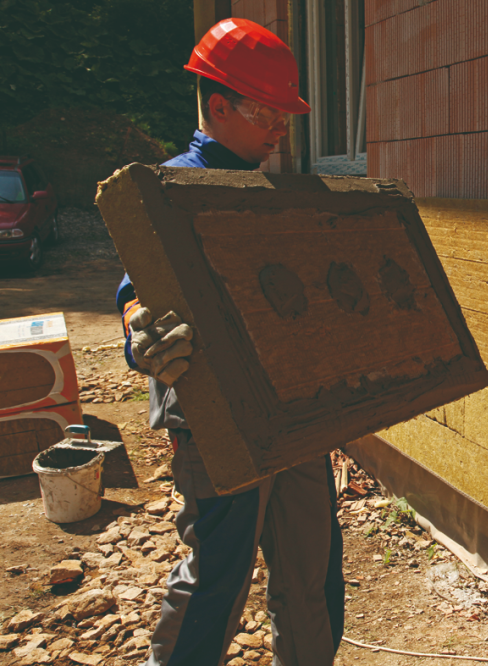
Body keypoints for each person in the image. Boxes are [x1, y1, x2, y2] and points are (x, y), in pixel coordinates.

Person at [115, 18, 345, 666]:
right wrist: (141, 333)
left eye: (286, 117)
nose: (281, 131)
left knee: (312, 572)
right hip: (221, 424)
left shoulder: (275, 190)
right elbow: (136, 292)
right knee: (217, 580)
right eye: (269, 115)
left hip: (294, 413)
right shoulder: (168, 189)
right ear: (219, 107)